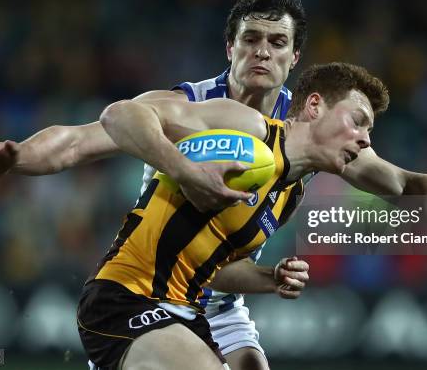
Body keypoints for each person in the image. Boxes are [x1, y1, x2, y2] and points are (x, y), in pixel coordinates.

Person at [0, 0, 427, 369]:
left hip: (212, 290)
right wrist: (20, 158)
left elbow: (410, 185)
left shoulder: (316, 140)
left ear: (294, 59)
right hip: (141, 282)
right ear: (229, 45)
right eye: (250, 39)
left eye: (276, 43)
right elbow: (91, 133)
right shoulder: (203, 108)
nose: (261, 52)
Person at [81, 61, 389, 369]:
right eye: (358, 121)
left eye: (369, 130)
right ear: (314, 105)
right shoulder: (249, 130)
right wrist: (185, 171)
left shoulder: (291, 195)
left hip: (186, 311)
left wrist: (272, 277)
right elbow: (119, 114)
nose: (366, 139)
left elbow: (217, 268)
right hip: (127, 297)